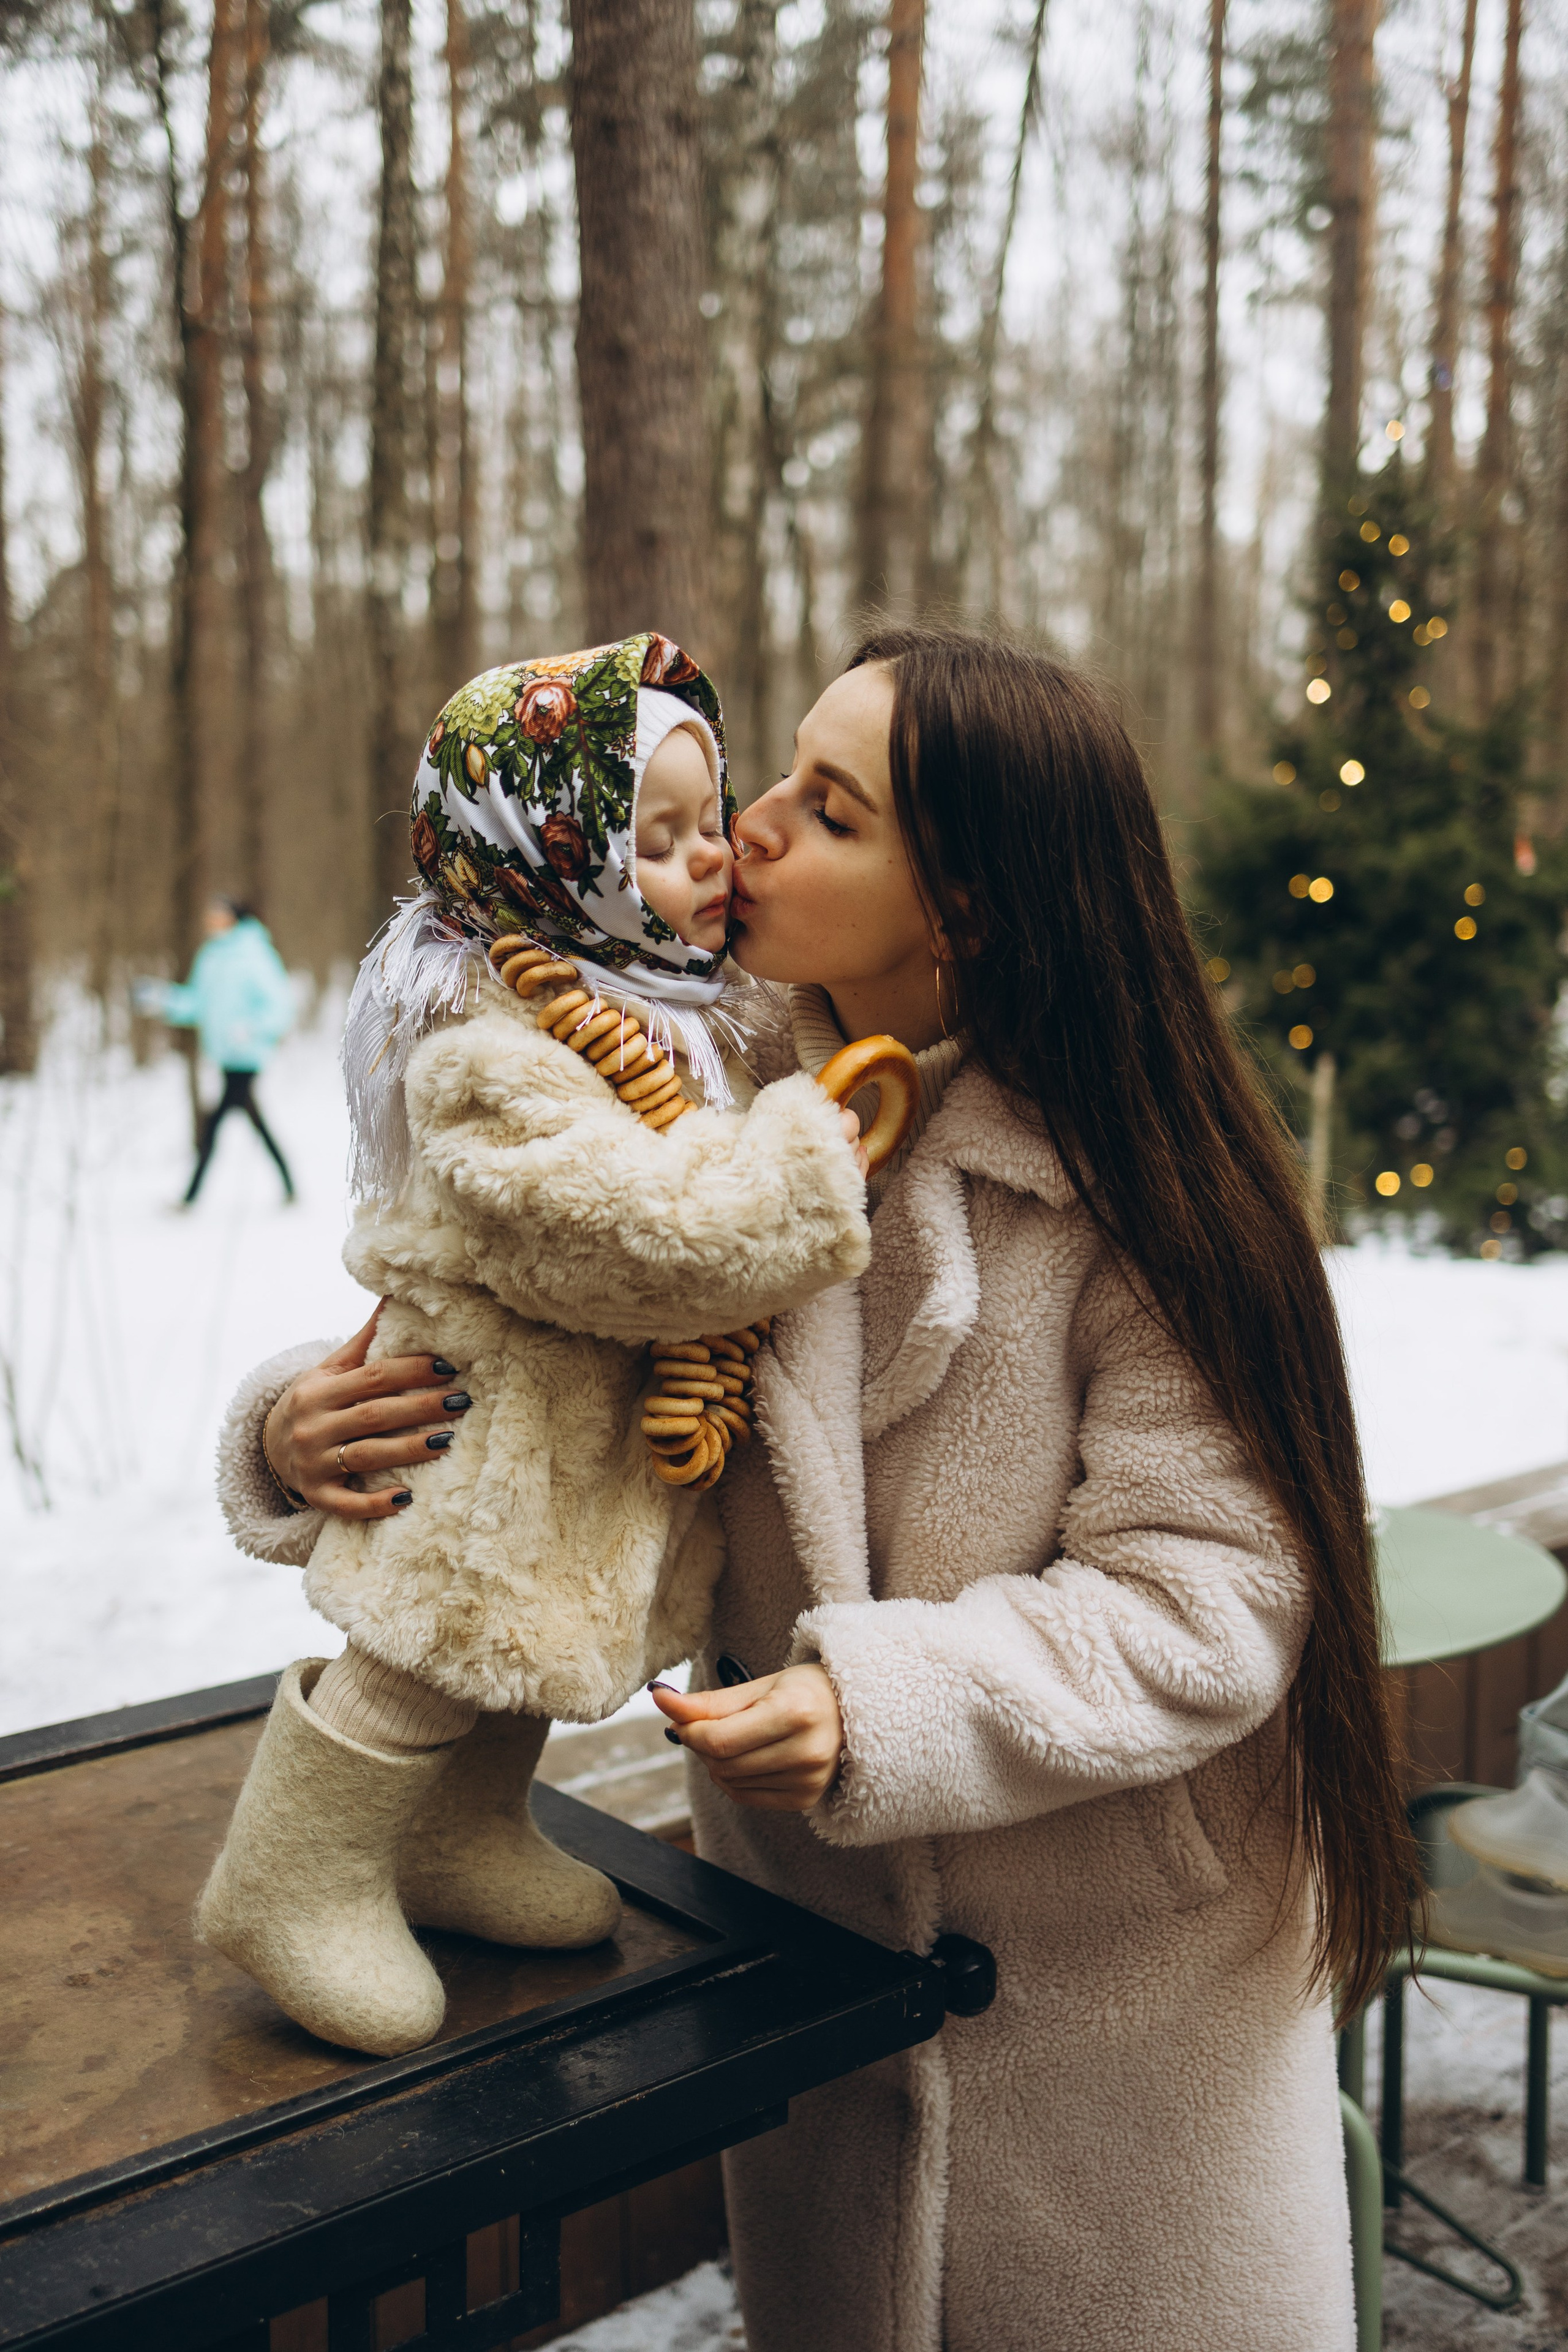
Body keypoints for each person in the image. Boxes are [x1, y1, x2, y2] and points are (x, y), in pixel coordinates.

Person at [219, 626, 1412, 2351]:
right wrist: (292, 1428)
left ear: (970, 911)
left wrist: (882, 1706)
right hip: (829, 1997)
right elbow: (504, 1323)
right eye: (775, 776)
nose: (753, 827)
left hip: (1118, 2049)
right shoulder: (694, 1079)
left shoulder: (1147, 1199)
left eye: (829, 813)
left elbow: (1206, 1597)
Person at [197, 634, 872, 2059]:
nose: (711, 858)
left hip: (573, 1455)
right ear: (551, 859)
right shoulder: (483, 1045)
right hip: (470, 1440)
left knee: (511, 1645)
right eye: (662, 835)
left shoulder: (689, 1014)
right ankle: (291, 1876)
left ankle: (456, 1832)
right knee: (425, 1646)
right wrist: (800, 1160)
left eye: (710, 818)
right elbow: (617, 1238)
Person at [137, 897, 296, 1204]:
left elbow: (280, 1007)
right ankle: (289, 1187)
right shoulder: (210, 957)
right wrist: (160, 998)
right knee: (254, 1123)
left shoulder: (256, 955)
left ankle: (190, 1197)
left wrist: (250, 1028)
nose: (212, 924)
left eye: (219, 918)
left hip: (247, 1058)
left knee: (213, 1127)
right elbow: (196, 1003)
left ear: (234, 919)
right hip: (224, 1057)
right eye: (210, 918)